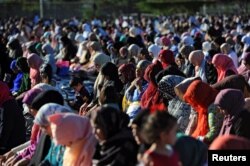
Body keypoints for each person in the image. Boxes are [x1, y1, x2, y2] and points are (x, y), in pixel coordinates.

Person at [0, 82, 26, 154]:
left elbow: (5, 130)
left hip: (13, 146)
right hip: (13, 142)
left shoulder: (7, 107)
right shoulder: (8, 101)